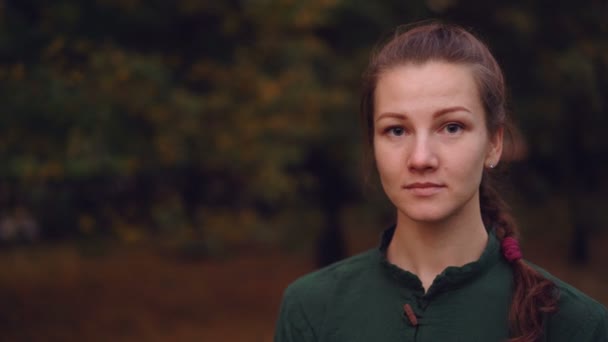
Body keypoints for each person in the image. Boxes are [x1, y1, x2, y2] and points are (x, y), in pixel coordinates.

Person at [274, 22, 608, 342]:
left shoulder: (573, 325)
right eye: (397, 130)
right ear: (373, 144)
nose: (421, 158)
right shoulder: (311, 310)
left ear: (494, 143)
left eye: (451, 127)